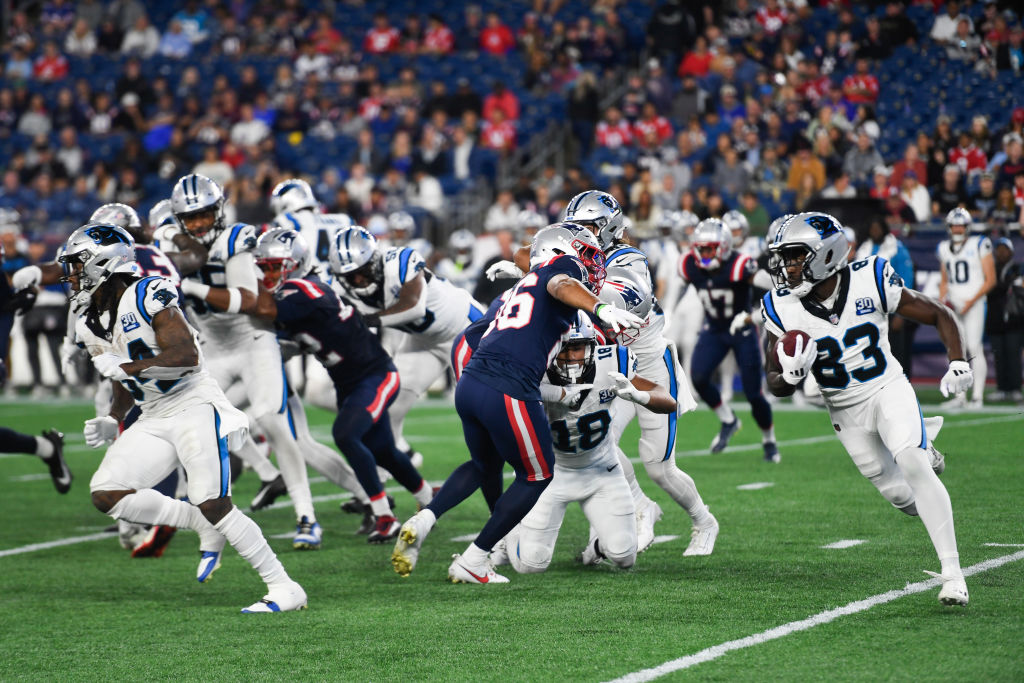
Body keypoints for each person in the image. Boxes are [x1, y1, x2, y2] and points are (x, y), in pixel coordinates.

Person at [60, 222, 305, 612]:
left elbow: (184, 358)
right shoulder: (88, 320)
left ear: (102, 263)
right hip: (154, 414)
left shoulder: (147, 292)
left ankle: (285, 587)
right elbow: (119, 375)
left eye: (77, 264)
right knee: (107, 493)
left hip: (193, 404)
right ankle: (198, 523)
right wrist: (114, 415)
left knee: (214, 501)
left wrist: (125, 368)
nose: (71, 274)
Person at [391, 222, 643, 583]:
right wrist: (600, 309)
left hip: (471, 382)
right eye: (585, 255)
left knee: (484, 465)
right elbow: (561, 283)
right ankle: (475, 559)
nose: (591, 263)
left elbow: (475, 330)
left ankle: (426, 518)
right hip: (507, 384)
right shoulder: (562, 273)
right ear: (562, 255)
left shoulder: (521, 286)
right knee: (538, 473)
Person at [761, 211, 970, 607]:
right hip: (844, 410)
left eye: (794, 256)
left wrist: (958, 361)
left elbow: (938, 313)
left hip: (887, 387)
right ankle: (924, 446)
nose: (786, 267)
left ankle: (953, 574)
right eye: (784, 258)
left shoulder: (870, 275)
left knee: (911, 462)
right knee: (903, 498)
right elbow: (775, 381)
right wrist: (791, 374)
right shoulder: (780, 305)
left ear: (824, 255)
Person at [172, 173, 322, 549]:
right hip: (214, 349)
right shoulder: (172, 243)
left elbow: (247, 299)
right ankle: (180, 510)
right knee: (187, 421)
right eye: (190, 218)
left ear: (218, 211)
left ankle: (307, 516)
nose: (198, 224)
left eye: (204, 214)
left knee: (271, 418)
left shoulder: (236, 237)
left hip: (253, 339)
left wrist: (188, 285)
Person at [254, 228, 433, 542]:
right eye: (263, 267)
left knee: (346, 434)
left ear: (294, 264)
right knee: (384, 450)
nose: (267, 274)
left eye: (273, 266)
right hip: (350, 383)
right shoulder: (296, 295)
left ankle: (384, 516)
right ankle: (431, 500)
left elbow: (265, 310)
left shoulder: (303, 290)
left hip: (376, 374)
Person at [493, 313, 677, 573]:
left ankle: (597, 548)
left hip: (603, 471)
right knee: (530, 565)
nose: (570, 357)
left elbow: (668, 400)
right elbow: (500, 397)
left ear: (592, 345)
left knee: (625, 557)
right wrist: (551, 393)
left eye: (577, 348)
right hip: (552, 475)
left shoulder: (613, 363)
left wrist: (640, 396)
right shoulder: (534, 371)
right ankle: (510, 528)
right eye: (562, 349)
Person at [329, 225, 486, 469]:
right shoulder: (340, 289)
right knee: (387, 409)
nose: (358, 280)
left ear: (374, 260)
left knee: (491, 407)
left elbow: (414, 307)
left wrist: (369, 320)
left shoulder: (399, 260)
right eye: (351, 276)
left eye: (362, 271)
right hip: (423, 340)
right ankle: (393, 475)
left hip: (466, 328)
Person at [681, 218, 780, 462]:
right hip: (714, 328)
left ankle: (769, 440)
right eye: (701, 248)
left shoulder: (739, 264)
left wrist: (769, 282)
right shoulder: (688, 265)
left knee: (754, 393)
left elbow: (771, 286)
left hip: (742, 330)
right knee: (699, 378)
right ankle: (728, 420)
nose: (704, 253)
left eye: (710, 248)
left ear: (724, 246)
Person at [937, 208, 995, 408]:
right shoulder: (944, 247)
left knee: (974, 347)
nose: (958, 228)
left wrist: (971, 301)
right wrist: (943, 299)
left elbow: (990, 279)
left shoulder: (979, 244)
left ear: (968, 227)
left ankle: (977, 396)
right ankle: (960, 397)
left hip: (975, 302)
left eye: (961, 225)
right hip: (954, 304)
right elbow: (944, 279)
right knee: (955, 349)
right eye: (954, 225)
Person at [855, 217, 917, 377]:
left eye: (878, 228)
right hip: (869, 308)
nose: (875, 231)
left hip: (892, 306)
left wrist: (901, 313)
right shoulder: (865, 248)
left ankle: (903, 383)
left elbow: (906, 280)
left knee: (897, 350)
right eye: (872, 228)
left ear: (884, 229)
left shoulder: (897, 248)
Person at [985, 238, 1023, 401]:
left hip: (1014, 320)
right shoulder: (989, 269)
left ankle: (1015, 388)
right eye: (998, 249)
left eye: (1004, 249)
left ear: (1011, 252)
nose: (1001, 252)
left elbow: (1015, 287)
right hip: (995, 320)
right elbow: (990, 289)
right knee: (999, 356)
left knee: (1013, 355)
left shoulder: (1018, 268)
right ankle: (1002, 388)